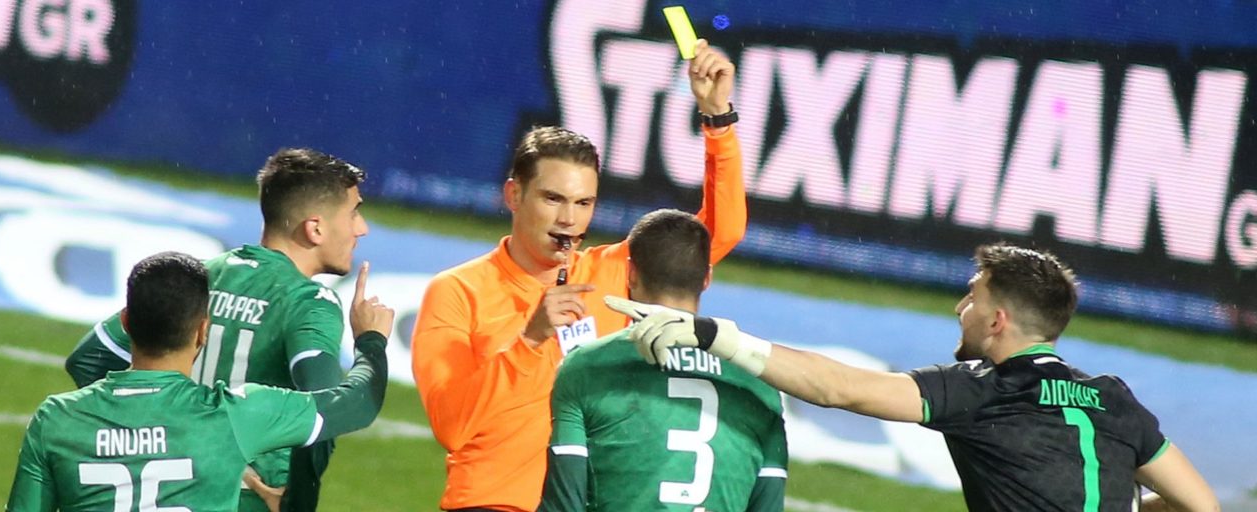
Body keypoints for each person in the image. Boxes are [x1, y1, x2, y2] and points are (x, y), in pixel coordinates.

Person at [607, 243, 1220, 512]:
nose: (960, 308)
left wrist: (718, 336)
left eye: (971, 297)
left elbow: (841, 389)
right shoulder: (1114, 399)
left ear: (998, 321)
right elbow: (1200, 505)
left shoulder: (982, 389)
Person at [411, 39, 747, 512]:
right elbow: (453, 425)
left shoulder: (613, 273)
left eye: (583, 203)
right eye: (553, 199)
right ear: (514, 195)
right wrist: (530, 340)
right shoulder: (457, 292)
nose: (569, 219)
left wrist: (718, 121)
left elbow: (717, 233)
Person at [63, 148, 370, 512]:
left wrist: (153, 437)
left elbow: (89, 359)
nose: (361, 228)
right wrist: (299, 502)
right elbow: (325, 408)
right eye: (353, 213)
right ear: (315, 228)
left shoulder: (198, 278)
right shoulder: (308, 302)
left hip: (169, 490)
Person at [7, 252, 393, 511]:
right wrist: (370, 340)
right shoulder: (236, 417)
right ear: (203, 331)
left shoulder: (55, 420)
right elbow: (358, 402)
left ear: (126, 322)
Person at [539, 209, 786, 511]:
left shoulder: (586, 366)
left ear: (631, 273)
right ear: (707, 277)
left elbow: (563, 504)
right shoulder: (761, 383)